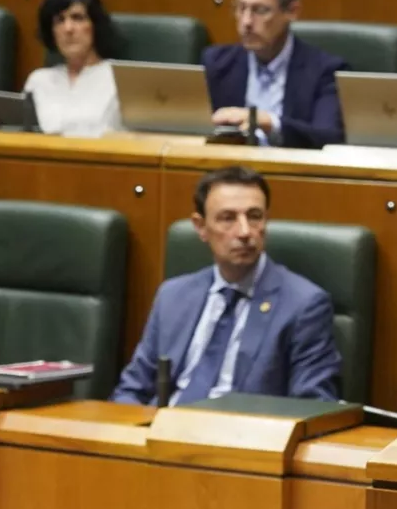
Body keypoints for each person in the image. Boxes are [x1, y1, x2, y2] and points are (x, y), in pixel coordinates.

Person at [112, 165, 342, 405]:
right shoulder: (173, 296)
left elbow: (313, 406)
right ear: (201, 227)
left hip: (243, 436)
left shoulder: (303, 305)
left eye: (254, 217)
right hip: (161, 430)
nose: (244, 232)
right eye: (227, 218)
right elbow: (131, 391)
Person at [203, 0, 347, 148]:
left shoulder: (324, 70)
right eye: (241, 8)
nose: (246, 22)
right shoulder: (216, 62)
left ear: (292, 11)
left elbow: (329, 137)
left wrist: (270, 122)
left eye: (260, 10)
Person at [23, 0, 122, 137]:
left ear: (95, 25)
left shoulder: (118, 78)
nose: (68, 28)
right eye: (59, 20)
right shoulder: (38, 80)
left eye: (77, 18)